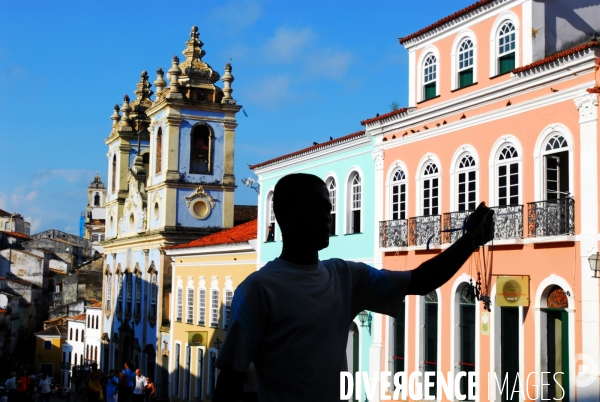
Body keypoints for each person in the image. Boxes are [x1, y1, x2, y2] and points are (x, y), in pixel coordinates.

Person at [213, 173, 494, 401]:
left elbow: (419, 281)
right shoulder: (258, 290)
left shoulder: (345, 276)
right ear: (285, 214)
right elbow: (230, 381)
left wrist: (469, 242)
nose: (328, 216)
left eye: (328, 207)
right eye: (316, 208)